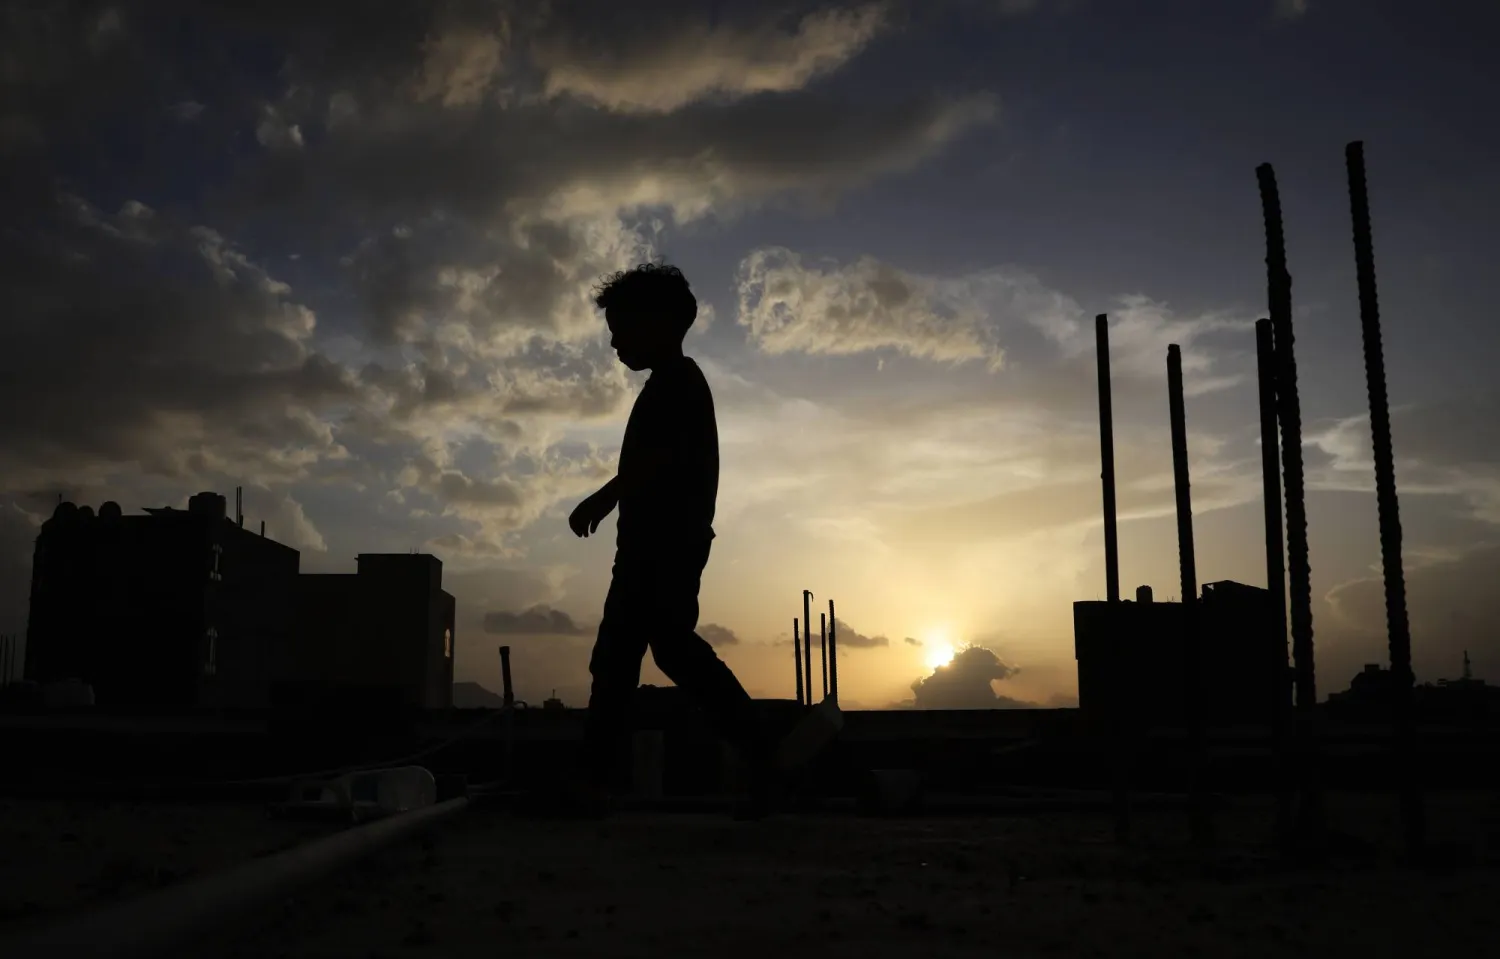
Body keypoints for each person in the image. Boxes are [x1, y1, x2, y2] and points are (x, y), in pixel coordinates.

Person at [562, 261, 780, 819]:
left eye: (622, 329)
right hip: (655, 545)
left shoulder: (679, 384)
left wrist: (605, 497)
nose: (615, 342)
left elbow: (659, 462)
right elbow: (653, 462)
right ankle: (760, 751)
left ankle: (597, 780)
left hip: (664, 546)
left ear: (658, 323)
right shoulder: (670, 385)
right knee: (642, 654)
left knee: (637, 655)